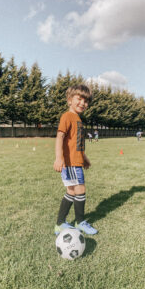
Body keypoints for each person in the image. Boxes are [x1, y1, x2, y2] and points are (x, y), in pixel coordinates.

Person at [53, 85, 98, 235]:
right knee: (80, 190)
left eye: (86, 101)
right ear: (70, 100)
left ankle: (60, 224)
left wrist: (84, 158)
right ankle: (80, 222)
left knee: (72, 191)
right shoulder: (67, 116)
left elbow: (77, 143)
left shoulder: (78, 119)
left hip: (76, 161)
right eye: (79, 99)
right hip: (70, 162)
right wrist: (59, 158)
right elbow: (60, 137)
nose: (82, 103)